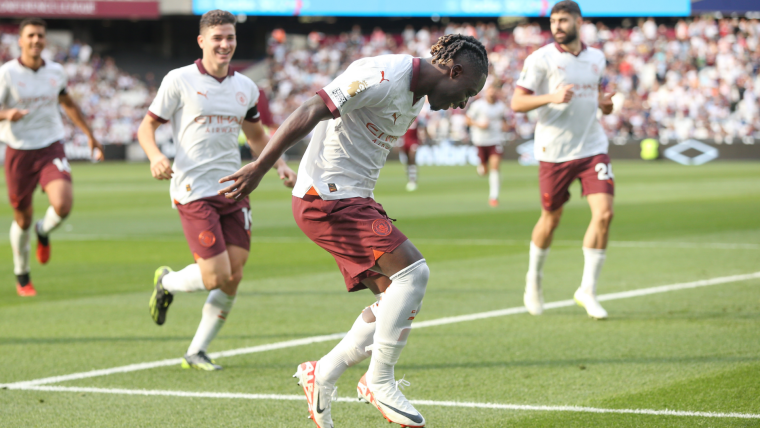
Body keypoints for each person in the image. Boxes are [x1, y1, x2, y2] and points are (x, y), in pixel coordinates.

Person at [218, 34, 488, 428]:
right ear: (455, 70)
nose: (463, 103)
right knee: (414, 273)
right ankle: (378, 382)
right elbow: (312, 107)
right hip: (325, 197)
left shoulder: (417, 94)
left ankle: (321, 374)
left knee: (392, 305)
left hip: (353, 197)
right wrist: (260, 167)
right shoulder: (382, 74)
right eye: (467, 92)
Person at [137, 10, 296, 371]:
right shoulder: (179, 80)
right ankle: (167, 282)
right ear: (202, 41)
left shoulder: (246, 88)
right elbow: (146, 128)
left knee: (234, 274)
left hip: (234, 188)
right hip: (193, 187)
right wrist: (155, 156)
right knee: (214, 276)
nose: (225, 44)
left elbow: (256, 135)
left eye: (230, 38)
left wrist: (280, 166)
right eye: (217, 38)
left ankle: (196, 351)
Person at [511, 0, 615, 319]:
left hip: (592, 147)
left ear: (579, 22)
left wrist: (606, 105)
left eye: (563, 20)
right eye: (553, 20)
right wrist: (551, 97)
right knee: (551, 219)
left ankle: (587, 289)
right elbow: (517, 102)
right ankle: (534, 280)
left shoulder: (597, 57)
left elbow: (598, 99)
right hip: (554, 152)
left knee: (604, 214)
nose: (557, 26)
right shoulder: (540, 58)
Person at [0, 18, 103, 297]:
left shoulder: (56, 72)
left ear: (45, 41)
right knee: (21, 219)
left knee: (63, 204)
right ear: (20, 41)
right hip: (18, 150)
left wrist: (90, 135)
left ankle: (43, 231)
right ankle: (22, 275)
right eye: (31, 35)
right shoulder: (7, 74)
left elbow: (67, 102)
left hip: (50, 146)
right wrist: (7, 114)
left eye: (40, 36)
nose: (36, 40)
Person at [465, 81, 507, 207]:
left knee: (495, 167)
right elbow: (467, 119)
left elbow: (505, 121)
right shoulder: (478, 105)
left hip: (495, 140)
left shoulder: (501, 107)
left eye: (494, 90)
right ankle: (482, 166)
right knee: (484, 171)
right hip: (480, 140)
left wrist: (505, 127)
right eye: (490, 90)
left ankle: (493, 197)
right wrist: (479, 125)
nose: (492, 92)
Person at [399, 118, 420, 191]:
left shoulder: (417, 119)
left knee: (412, 159)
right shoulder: (404, 119)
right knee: (408, 161)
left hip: (413, 141)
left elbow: (421, 129)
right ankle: (410, 178)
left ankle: (413, 180)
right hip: (405, 142)